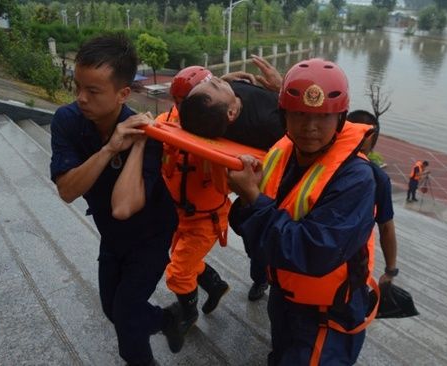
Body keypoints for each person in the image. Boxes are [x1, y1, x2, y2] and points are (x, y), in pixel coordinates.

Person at [227, 58, 378, 365]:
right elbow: (253, 227)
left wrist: (253, 199)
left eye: (323, 117)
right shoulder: (283, 152)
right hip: (286, 298)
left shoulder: (356, 178)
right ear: (283, 117)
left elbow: (313, 251)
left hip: (327, 317)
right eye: (299, 114)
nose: (310, 127)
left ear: (340, 119)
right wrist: (246, 201)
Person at [49, 35, 184, 366]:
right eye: (77, 86)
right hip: (111, 235)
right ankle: (167, 320)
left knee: (125, 318)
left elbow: (124, 207)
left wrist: (135, 144)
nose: (81, 98)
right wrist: (110, 148)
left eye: (93, 91)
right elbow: (67, 190)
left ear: (123, 93)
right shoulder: (67, 121)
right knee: (113, 309)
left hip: (151, 234)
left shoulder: (149, 136)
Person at [179, 71, 286, 301]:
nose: (215, 80)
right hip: (270, 192)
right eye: (215, 86)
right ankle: (263, 280)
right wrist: (282, 89)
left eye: (211, 82)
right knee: (261, 243)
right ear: (231, 113)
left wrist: (228, 80)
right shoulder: (268, 124)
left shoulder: (221, 105)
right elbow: (300, 128)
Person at [156, 66, 231, 336]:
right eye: (177, 103)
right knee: (182, 259)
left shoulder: (220, 130)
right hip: (179, 214)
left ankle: (188, 313)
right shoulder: (166, 121)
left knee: (177, 272)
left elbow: (228, 182)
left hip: (206, 219)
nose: (180, 109)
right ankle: (215, 285)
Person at [347, 110, 398, 284]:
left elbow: (386, 227)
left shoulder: (379, 179)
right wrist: (390, 271)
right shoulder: (377, 177)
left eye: (360, 150)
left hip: (351, 266)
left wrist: (391, 270)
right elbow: (386, 227)